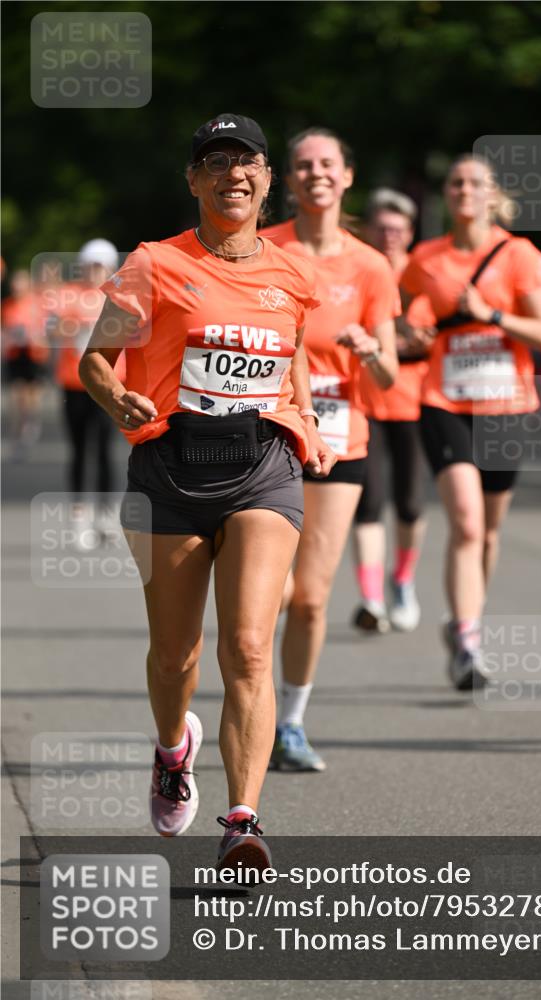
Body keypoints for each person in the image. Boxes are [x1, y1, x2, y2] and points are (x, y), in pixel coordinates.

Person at [79, 113, 334, 871]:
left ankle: (243, 819)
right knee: (174, 656)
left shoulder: (291, 273)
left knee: (249, 647)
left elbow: (291, 353)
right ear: (193, 181)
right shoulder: (153, 264)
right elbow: (95, 359)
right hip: (171, 469)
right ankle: (172, 749)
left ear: (267, 179)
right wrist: (116, 398)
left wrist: (307, 418)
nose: (233, 175)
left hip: (263, 467)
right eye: (215, 163)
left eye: (246, 161)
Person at [262, 128, 399, 772]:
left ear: (347, 176)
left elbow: (389, 377)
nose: (316, 173)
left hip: (341, 439)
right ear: (289, 180)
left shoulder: (371, 267)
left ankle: (290, 724)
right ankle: (249, 706)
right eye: (303, 165)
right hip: (270, 433)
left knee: (312, 598)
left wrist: (370, 351)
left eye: (327, 164)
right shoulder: (265, 250)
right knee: (273, 593)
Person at [400, 154, 541, 690]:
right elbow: (401, 316)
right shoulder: (426, 258)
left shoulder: (519, 256)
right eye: (456, 183)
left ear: (492, 195)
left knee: (487, 534)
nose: (464, 190)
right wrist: (412, 333)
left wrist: (491, 314)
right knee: (466, 523)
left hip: (506, 407)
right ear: (447, 195)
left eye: (475, 183)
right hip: (444, 402)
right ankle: (469, 644)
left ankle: (465, 620)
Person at [352, 189, 435, 633]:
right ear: (369, 230)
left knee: (410, 503)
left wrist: (422, 342)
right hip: (363, 401)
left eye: (398, 229)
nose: (389, 236)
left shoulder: (425, 274)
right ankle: (371, 600)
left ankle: (402, 580)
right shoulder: (358, 270)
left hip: (415, 402)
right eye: (382, 228)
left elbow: (442, 330)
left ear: (410, 233)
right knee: (368, 504)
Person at [51, 240, 121, 545]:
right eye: (91, 265)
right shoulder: (69, 294)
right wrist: (76, 327)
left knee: (105, 451)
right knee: (79, 450)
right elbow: (51, 329)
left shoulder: (117, 296)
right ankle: (79, 517)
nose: (95, 271)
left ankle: (106, 516)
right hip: (74, 383)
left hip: (108, 385)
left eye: (101, 266)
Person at [1, 268, 50, 457]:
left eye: (20, 283)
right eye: (15, 284)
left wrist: (35, 336)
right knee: (16, 394)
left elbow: (47, 329)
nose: (17, 287)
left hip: (34, 354)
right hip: (15, 354)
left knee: (31, 395)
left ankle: (30, 423)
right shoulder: (7, 305)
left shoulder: (37, 304)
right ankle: (17, 431)